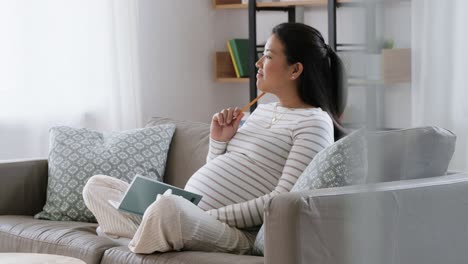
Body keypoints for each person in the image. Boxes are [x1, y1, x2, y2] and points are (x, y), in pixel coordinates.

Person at [82, 22, 347, 254]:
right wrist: (219, 141)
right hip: (193, 213)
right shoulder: (262, 111)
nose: (257, 64)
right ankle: (146, 235)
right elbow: (216, 170)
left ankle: (128, 238)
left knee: (168, 209)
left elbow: (280, 201)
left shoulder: (314, 124)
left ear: (294, 70)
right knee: (97, 185)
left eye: (267, 56)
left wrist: (205, 214)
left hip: (236, 232)